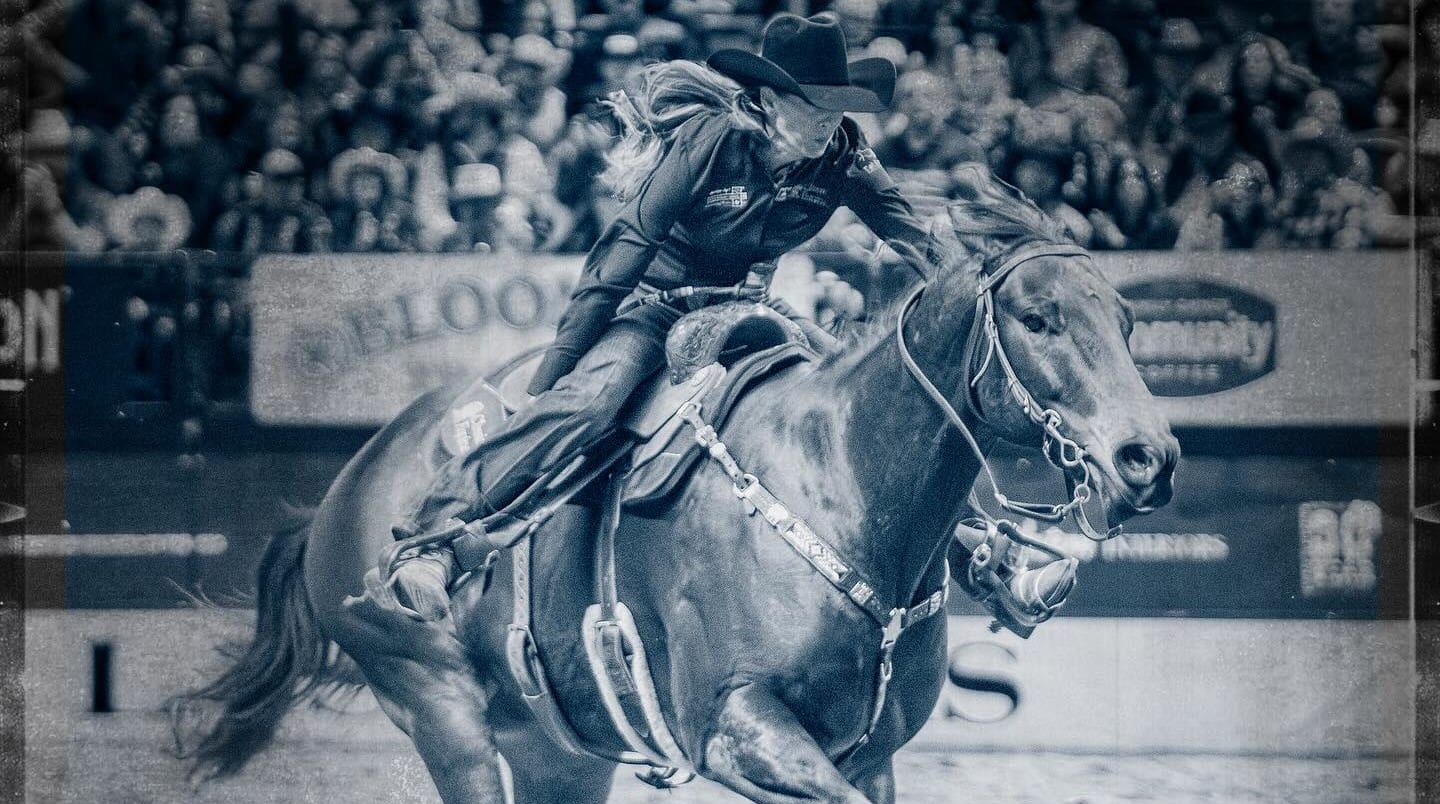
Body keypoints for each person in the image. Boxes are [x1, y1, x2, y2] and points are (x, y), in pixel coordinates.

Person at [384, 12, 1077, 625]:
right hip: (654, 311)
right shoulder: (713, 140)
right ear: (767, 101)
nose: (828, 121)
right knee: (589, 403)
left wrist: (976, 287)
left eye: (838, 106)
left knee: (857, 411)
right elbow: (626, 246)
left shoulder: (840, 154)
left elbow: (911, 233)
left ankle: (988, 559)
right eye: (814, 107)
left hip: (752, 314)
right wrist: (557, 370)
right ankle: (436, 540)